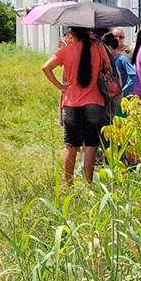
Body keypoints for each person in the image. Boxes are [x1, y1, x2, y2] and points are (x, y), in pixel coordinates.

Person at [41, 26, 108, 184]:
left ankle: (68, 184)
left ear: (72, 35)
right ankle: (88, 182)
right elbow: (107, 68)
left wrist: (60, 86)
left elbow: (45, 67)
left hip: (70, 101)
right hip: (94, 100)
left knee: (71, 145)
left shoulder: (66, 51)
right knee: (90, 145)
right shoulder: (98, 48)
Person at [105, 31, 136, 97]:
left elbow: (134, 76)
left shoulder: (122, 59)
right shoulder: (111, 60)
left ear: (109, 48)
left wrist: (123, 92)